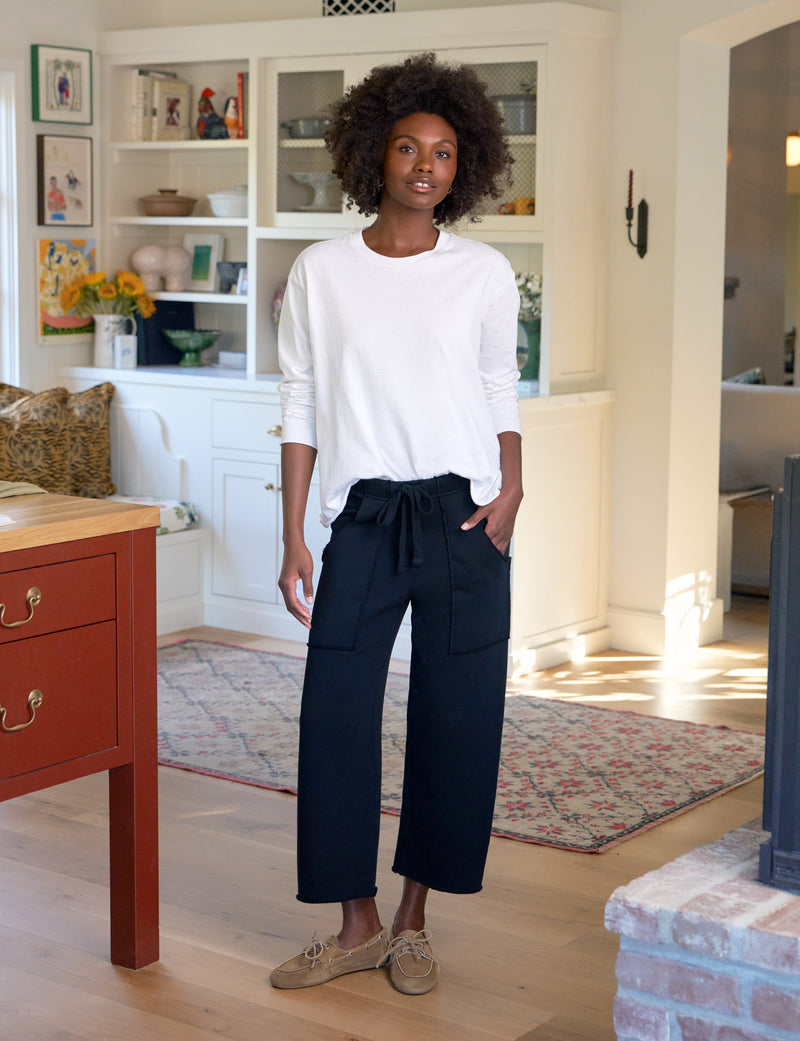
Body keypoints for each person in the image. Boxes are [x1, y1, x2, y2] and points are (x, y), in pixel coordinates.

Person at [271, 51, 523, 996]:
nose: (427, 166)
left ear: (466, 167)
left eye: (446, 153)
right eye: (410, 148)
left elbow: (501, 384)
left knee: (456, 717)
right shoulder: (321, 272)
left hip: (465, 511)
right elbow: (299, 401)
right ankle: (356, 924)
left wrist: (512, 488)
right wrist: (295, 533)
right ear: (373, 155)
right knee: (335, 713)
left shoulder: (485, 273)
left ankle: (414, 921)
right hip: (365, 514)